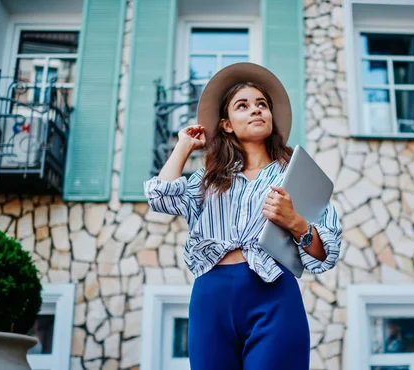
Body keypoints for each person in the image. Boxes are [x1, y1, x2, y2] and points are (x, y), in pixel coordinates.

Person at [144, 62, 342, 370]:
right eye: (243, 105)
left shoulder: (295, 176)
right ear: (226, 124)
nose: (256, 110)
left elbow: (325, 253)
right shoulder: (207, 180)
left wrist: (295, 222)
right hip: (211, 299)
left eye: (262, 104)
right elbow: (159, 197)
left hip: (273, 296)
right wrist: (183, 146)